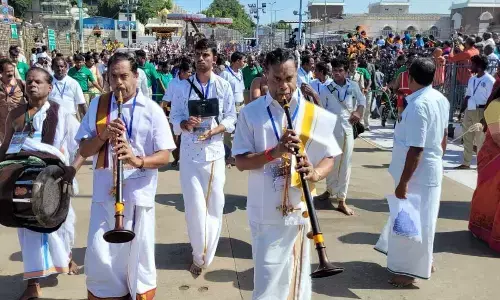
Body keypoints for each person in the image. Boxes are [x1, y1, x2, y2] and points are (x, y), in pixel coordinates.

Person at [232, 47, 341, 300]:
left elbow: (330, 156)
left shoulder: (314, 114)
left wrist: (315, 173)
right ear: (265, 76)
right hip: (264, 211)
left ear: (298, 76)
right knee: (268, 278)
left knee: (298, 278)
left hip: (300, 209)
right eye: (277, 79)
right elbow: (240, 162)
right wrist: (276, 151)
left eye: (289, 78)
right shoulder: (251, 113)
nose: (284, 86)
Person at [76, 52, 175, 299]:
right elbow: (83, 149)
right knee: (102, 257)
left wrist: (136, 160)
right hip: (104, 194)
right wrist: (102, 137)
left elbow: (167, 156)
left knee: (138, 258)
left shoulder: (152, 110)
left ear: (136, 77)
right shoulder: (98, 106)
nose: (119, 83)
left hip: (138, 195)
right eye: (113, 77)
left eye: (124, 76)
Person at [0, 67, 83, 300]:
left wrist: (71, 169)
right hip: (23, 181)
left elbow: (83, 143)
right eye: (29, 81)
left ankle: (65, 257)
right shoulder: (16, 113)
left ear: (49, 87)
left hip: (54, 178)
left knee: (63, 224)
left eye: (38, 81)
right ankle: (33, 282)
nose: (32, 85)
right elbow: (6, 146)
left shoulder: (63, 113)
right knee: (27, 229)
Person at [375, 58, 450, 287]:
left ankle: (408, 272)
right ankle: (424, 261)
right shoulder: (440, 99)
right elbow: (443, 137)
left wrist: (404, 182)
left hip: (417, 174)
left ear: (410, 77)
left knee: (412, 223)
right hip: (426, 169)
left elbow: (417, 148)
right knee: (422, 220)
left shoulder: (420, 105)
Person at [170, 38, 237, 276]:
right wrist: (185, 123)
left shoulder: (223, 86)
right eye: (197, 54)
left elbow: (231, 118)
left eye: (205, 55)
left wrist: (217, 129)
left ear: (214, 58)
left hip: (214, 152)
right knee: (194, 207)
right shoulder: (182, 87)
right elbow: (174, 117)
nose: (201, 59)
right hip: (189, 153)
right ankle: (199, 254)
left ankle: (207, 251)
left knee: (215, 205)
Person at [317, 58, 366, 216]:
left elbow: (362, 100)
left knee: (345, 164)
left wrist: (359, 112)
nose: (337, 73)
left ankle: (341, 200)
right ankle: (329, 190)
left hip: (346, 130)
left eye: (340, 71)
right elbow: (321, 108)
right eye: (335, 70)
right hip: (331, 130)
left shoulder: (353, 86)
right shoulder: (326, 88)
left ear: (346, 71)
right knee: (330, 161)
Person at [468, 88, 500, 252]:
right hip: (493, 157)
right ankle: (482, 230)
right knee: (489, 195)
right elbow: (497, 136)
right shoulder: (495, 106)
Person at [455, 55, 495, 170]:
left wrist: (486, 117)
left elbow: (491, 100)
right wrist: (461, 111)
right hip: (470, 110)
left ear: (479, 66)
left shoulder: (489, 80)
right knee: (467, 137)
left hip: (481, 111)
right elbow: (467, 96)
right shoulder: (472, 79)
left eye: (472, 64)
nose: (470, 66)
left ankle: (481, 165)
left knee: (480, 139)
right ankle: (466, 163)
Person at [162, 61, 192, 168]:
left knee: (187, 139)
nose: (190, 74)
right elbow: (166, 98)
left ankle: (184, 160)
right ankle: (176, 158)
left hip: (188, 116)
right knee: (174, 140)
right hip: (175, 115)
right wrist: (161, 111)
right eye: (188, 72)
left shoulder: (192, 83)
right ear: (182, 72)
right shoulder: (172, 83)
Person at [0, 59, 26, 144]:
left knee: (18, 150)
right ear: (1, 72)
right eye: (7, 71)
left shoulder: (21, 84)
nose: (11, 73)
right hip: (3, 128)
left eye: (12, 70)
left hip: (19, 126)